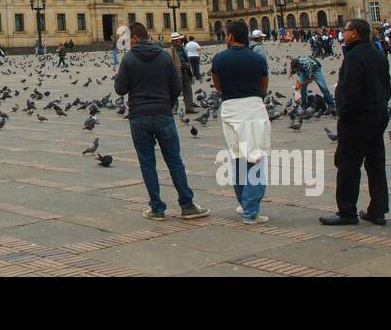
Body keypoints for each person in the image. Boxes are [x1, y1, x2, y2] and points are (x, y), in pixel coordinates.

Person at [114, 21, 209, 221]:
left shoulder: (128, 59)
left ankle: (157, 208)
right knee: (174, 160)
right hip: (163, 113)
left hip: (139, 117)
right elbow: (176, 85)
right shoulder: (164, 56)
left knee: (147, 164)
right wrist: (167, 103)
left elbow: (120, 89)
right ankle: (187, 205)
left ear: (135, 38)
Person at [321, 19, 391, 226]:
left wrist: (344, 111)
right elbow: (387, 87)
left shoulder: (354, 57)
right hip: (378, 115)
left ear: (355, 33)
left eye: (346, 31)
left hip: (357, 118)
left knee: (347, 164)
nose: (344, 33)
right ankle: (378, 211)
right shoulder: (379, 54)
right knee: (376, 164)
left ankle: (347, 212)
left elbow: (350, 91)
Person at [211, 21, 272, 224]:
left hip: (229, 109)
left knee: (237, 157)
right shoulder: (256, 58)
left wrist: (228, 92)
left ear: (230, 36)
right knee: (255, 159)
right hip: (253, 108)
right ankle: (250, 211)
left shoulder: (219, 58)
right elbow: (264, 84)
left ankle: (244, 204)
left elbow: (217, 84)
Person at [169, 33, 194, 112]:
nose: (179, 41)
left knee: (188, 89)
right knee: (176, 90)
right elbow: (171, 62)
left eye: (179, 39)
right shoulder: (171, 50)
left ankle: (189, 107)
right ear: (173, 41)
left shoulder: (183, 48)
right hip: (177, 72)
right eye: (177, 40)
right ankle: (174, 108)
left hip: (186, 71)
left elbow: (186, 58)